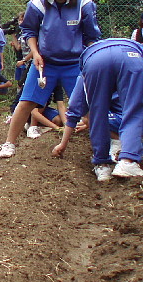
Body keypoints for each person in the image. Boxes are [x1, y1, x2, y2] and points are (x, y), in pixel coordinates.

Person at [0, 0, 102, 158]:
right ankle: (9, 143)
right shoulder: (37, 4)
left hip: (75, 64)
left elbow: (92, 36)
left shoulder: (84, 4)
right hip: (46, 64)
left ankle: (101, 151)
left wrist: (90, 61)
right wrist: (35, 53)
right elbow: (29, 31)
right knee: (26, 102)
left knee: (91, 105)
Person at [52, 38, 143, 181]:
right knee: (134, 111)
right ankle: (128, 161)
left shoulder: (87, 66)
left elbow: (75, 109)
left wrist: (63, 144)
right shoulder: (136, 48)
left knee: (97, 113)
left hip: (95, 59)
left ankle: (102, 166)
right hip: (131, 55)